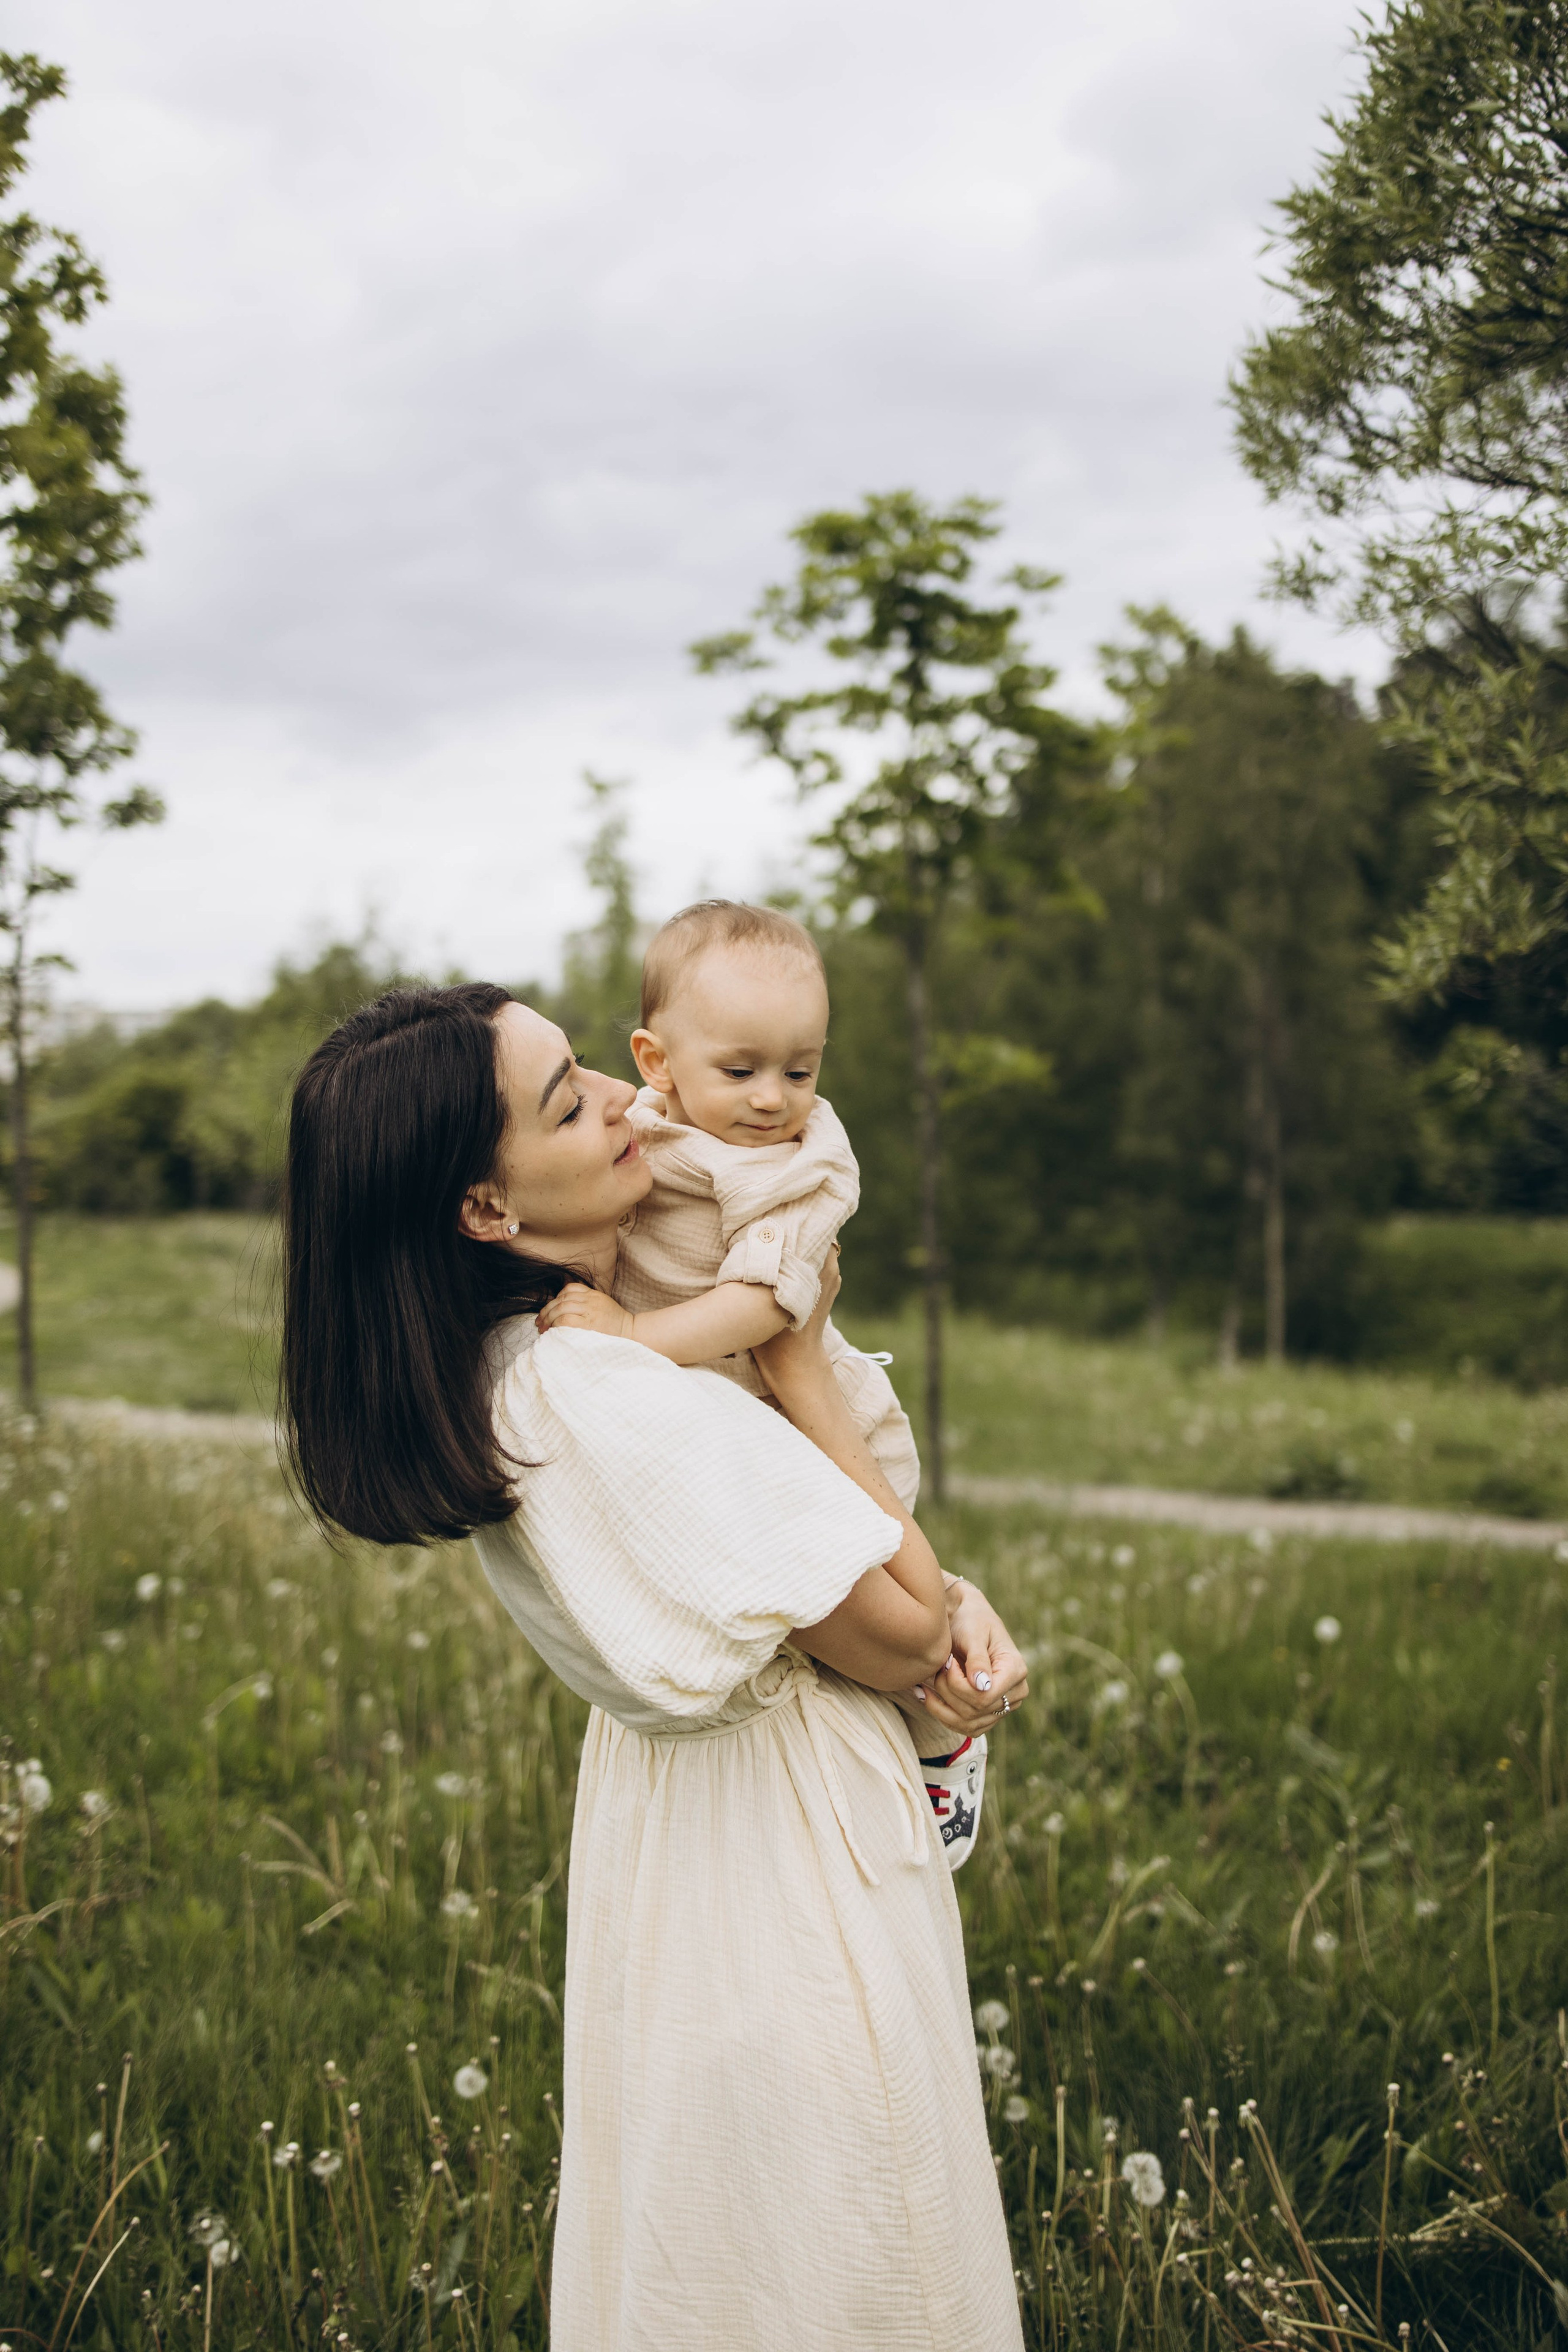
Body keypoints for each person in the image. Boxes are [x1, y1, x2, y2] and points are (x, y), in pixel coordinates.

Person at [282, 981, 1029, 2352]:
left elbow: (827, 1587)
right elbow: (903, 1632)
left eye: (587, 1067)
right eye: (568, 1102)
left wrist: (936, 1590)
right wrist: (796, 1358)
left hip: (682, 1836)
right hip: (780, 1853)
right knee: (860, 2254)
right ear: (485, 1207)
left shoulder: (553, 1354)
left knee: (727, 2246)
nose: (627, 1095)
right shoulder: (596, 1387)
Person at [539, 896, 987, 1865]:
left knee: (872, 1604)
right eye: (740, 1072)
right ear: (657, 1061)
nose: (774, 1099)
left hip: (807, 1411)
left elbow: (765, 1309)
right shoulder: (644, 1126)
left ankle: (939, 1743)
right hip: (735, 1405)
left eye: (801, 1069)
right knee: (829, 1613)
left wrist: (631, 1334)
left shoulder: (797, 1168)